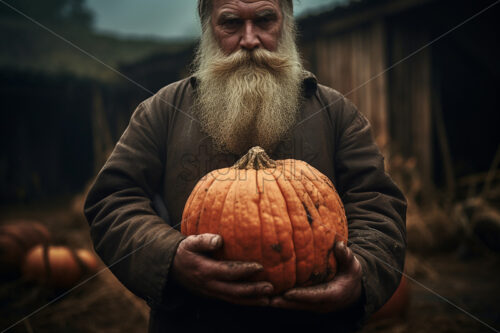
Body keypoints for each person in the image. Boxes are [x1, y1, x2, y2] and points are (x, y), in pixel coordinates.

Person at [84, 0, 407, 332]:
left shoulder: (337, 113)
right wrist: (169, 257)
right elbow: (112, 201)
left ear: (286, 24)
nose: (250, 40)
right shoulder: (162, 111)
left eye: (265, 20)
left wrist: (362, 273)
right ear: (209, 28)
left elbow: (378, 206)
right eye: (231, 23)